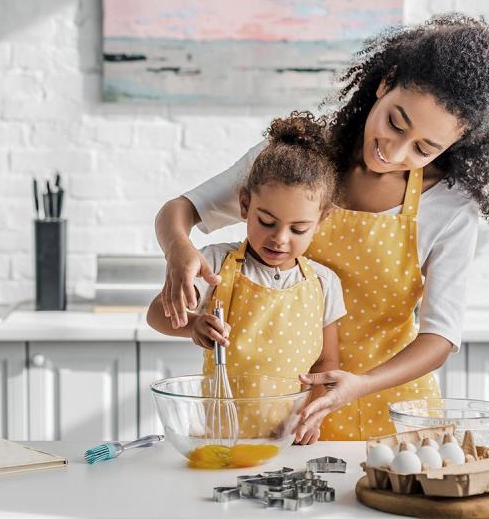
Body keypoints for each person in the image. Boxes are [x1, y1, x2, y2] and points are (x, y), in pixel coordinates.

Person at [153, 13, 489, 441]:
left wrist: (360, 384)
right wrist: (178, 248)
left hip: (396, 414)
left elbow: (440, 336)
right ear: (386, 83)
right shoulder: (295, 161)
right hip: (288, 415)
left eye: (423, 147)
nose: (394, 150)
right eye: (395, 122)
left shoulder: (450, 206)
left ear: (454, 144)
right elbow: (181, 210)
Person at [146, 112, 347, 444]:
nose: (280, 238)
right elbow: (157, 314)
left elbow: (327, 362)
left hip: (289, 443)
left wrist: (314, 415)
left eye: (298, 229)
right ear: (244, 205)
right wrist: (193, 324)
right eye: (266, 221)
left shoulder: (325, 283)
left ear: (321, 220)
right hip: (222, 439)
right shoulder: (216, 265)